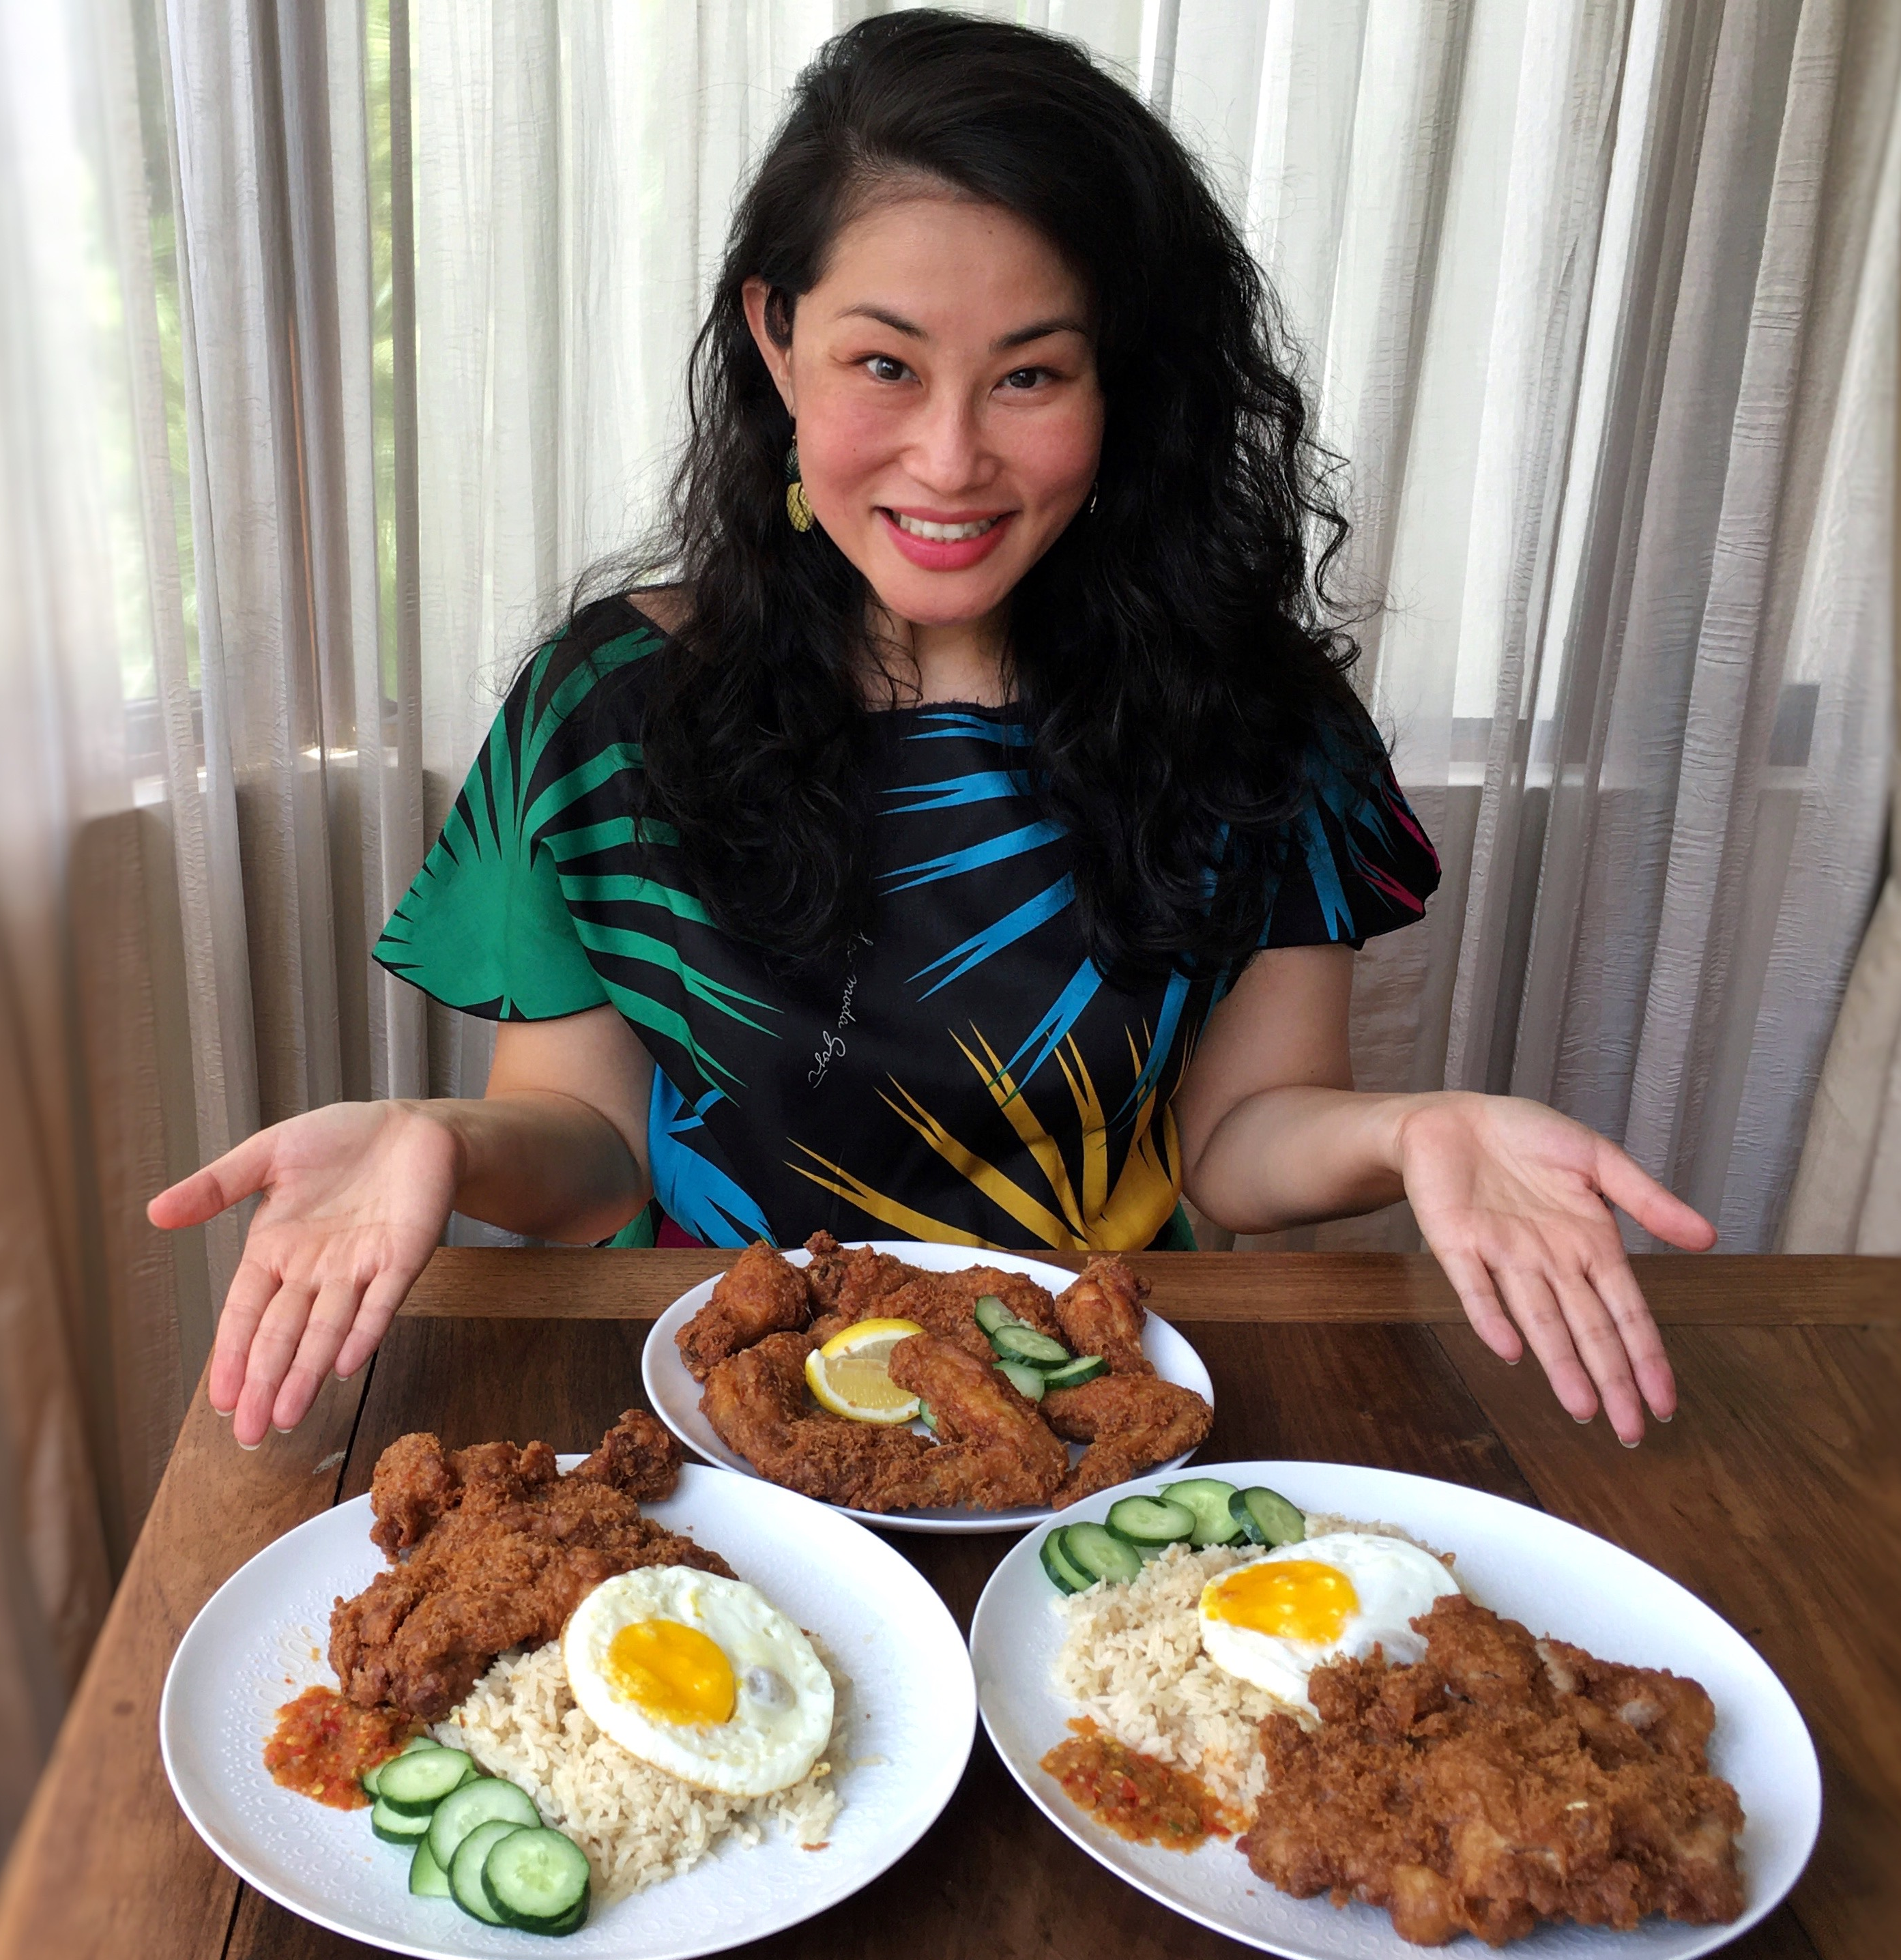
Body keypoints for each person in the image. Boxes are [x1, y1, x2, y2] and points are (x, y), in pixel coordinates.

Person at [148, 11, 1715, 1457]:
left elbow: (1242, 1138)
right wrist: (442, 1137)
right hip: (721, 1427)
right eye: (884, 364)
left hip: (1091, 1431)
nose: (952, 459)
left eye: (1030, 373)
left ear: (1123, 380)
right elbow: (593, 1150)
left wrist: (1409, 1127)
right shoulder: (608, 707)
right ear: (777, 337)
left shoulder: (1261, 720)